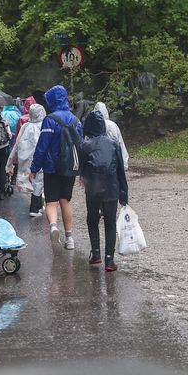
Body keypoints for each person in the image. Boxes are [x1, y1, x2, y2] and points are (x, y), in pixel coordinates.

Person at [31, 85, 83, 251]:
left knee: (52, 202)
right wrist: (82, 170)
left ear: (52, 100)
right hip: (70, 168)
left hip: (51, 168)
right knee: (65, 201)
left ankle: (53, 227)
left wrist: (34, 167)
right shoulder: (76, 120)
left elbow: (42, 147)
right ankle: (69, 238)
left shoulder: (50, 119)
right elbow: (80, 146)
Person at [78, 110, 128, 272]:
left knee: (92, 220)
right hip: (112, 188)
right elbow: (121, 171)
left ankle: (96, 254)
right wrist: (124, 194)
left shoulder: (85, 146)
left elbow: (82, 169)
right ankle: (109, 260)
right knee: (110, 223)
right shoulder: (114, 144)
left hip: (93, 189)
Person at [8, 102, 45, 217]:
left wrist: (10, 162)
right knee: (38, 182)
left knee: (32, 182)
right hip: (37, 159)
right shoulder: (42, 127)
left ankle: (38, 205)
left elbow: (16, 144)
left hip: (24, 159)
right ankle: (34, 208)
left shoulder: (25, 126)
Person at [94, 101, 129, 174]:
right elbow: (120, 144)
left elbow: (87, 144)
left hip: (97, 163)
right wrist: (124, 164)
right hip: (112, 161)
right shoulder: (113, 125)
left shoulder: (93, 126)